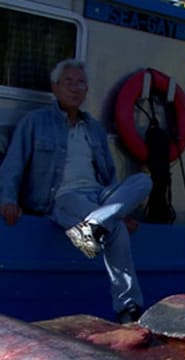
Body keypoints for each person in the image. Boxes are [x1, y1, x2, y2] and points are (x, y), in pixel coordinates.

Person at [0, 59, 152, 323]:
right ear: (55, 87)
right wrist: (8, 199)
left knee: (142, 182)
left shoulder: (94, 128)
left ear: (86, 90)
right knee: (115, 231)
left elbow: (109, 174)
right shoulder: (35, 122)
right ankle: (129, 309)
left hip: (100, 195)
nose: (74, 88)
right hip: (62, 197)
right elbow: (13, 163)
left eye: (80, 83)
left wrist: (120, 208)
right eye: (68, 82)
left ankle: (93, 227)